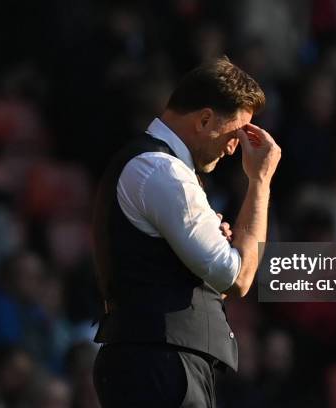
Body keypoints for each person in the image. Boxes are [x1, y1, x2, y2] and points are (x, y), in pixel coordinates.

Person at [91, 56, 281, 407]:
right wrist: (260, 181)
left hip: (154, 361)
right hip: (158, 365)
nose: (233, 147)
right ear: (205, 119)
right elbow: (237, 277)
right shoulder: (162, 171)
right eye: (234, 133)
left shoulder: (158, 168)